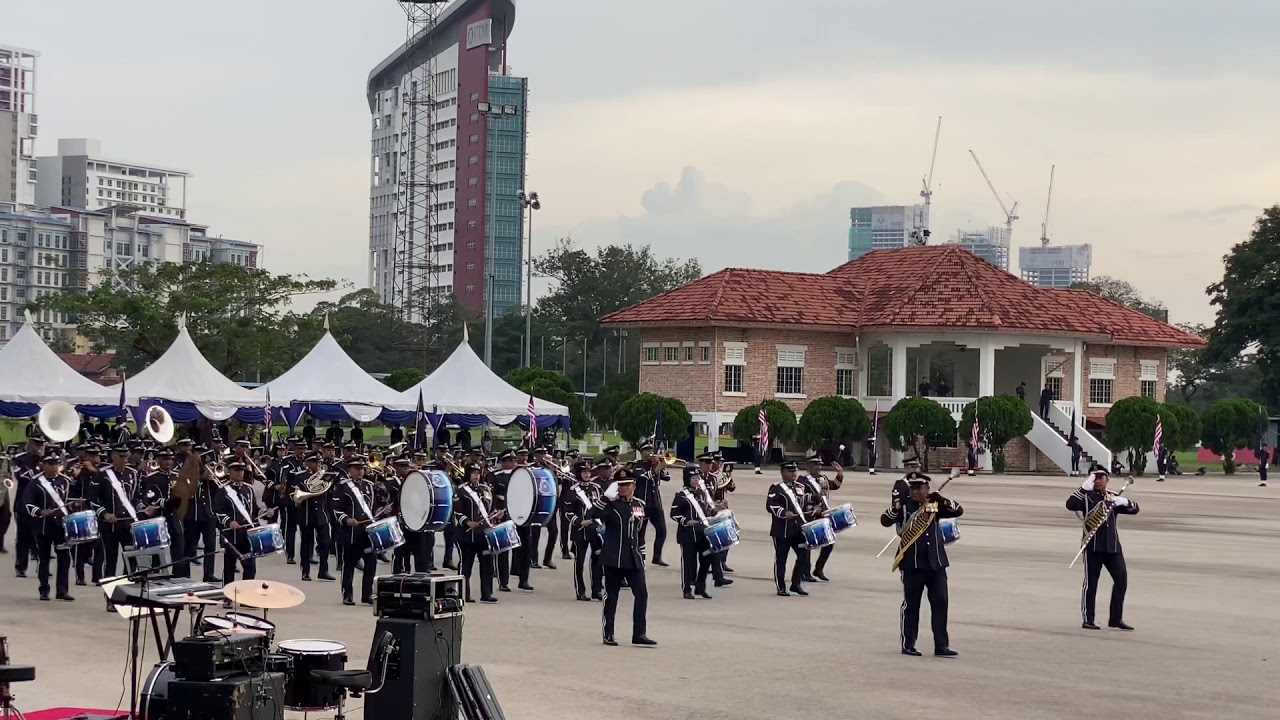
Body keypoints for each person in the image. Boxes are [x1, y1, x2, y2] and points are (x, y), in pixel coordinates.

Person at [880, 474, 963, 657]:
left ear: (927, 488)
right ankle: (908, 644)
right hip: (912, 563)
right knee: (911, 605)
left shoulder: (935, 504)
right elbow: (885, 520)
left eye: (921, 488)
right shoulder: (904, 507)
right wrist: (896, 507)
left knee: (940, 604)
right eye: (914, 488)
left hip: (936, 562)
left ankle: (941, 645)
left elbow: (958, 511)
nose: (917, 492)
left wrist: (941, 499)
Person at [587, 469, 654, 647]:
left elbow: (639, 532)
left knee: (642, 594)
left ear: (634, 486)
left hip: (633, 557)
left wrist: (643, 554)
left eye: (627, 484)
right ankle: (608, 633)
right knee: (612, 597)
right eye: (620, 485)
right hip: (614, 557)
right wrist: (603, 499)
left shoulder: (639, 504)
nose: (623, 488)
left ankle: (639, 633)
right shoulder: (611, 505)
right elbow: (592, 515)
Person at [1067, 470, 1139, 630]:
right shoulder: (1086, 498)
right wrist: (1084, 488)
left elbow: (1135, 509)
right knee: (1091, 583)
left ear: (1107, 479)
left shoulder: (1112, 497)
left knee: (1121, 581)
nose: (1098, 481)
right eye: (1095, 478)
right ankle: (1088, 619)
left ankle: (1115, 619)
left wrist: (1124, 502)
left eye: (1101, 478)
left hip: (1113, 548)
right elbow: (1070, 505)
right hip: (1093, 547)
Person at [21, 451, 78, 601]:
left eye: (56, 464)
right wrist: (40, 511)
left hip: (61, 527)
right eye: (51, 464)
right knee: (44, 558)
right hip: (43, 527)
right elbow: (26, 503)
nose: (54, 467)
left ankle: (62, 590)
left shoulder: (66, 481)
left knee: (64, 558)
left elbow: (70, 499)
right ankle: (44, 589)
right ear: (43, 465)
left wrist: (75, 504)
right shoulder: (35, 483)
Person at [215, 462, 270, 587]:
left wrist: (265, 512)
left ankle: (247, 596)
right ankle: (227, 596)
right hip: (231, 535)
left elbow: (254, 510)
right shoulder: (223, 490)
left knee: (250, 566)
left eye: (242, 470)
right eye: (236, 470)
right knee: (229, 567)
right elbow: (217, 511)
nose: (240, 472)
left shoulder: (249, 488)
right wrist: (229, 522)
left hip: (248, 534)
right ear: (229, 472)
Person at [332, 459, 379, 606]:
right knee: (349, 564)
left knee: (371, 562)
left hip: (368, 532)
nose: (360, 471)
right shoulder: (343, 487)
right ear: (349, 469)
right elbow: (335, 508)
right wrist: (346, 519)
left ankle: (367, 594)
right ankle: (348, 594)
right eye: (357, 468)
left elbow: (374, 507)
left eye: (362, 468)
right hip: (351, 532)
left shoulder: (369, 486)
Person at [765, 460, 815, 597]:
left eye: (795, 471)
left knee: (804, 555)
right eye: (790, 471)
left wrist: (811, 509)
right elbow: (771, 506)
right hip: (782, 530)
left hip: (797, 529)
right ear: (783, 472)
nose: (794, 473)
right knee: (781, 558)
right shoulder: (776, 488)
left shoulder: (799, 487)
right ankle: (781, 586)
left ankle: (796, 583)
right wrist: (783, 513)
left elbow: (803, 504)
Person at [453, 465, 498, 604]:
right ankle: (463, 594)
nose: (476, 475)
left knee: (487, 565)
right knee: (466, 565)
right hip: (466, 535)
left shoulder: (486, 490)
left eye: (478, 473)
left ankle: (486, 594)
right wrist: (467, 522)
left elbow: (491, 509)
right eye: (473, 473)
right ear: (468, 474)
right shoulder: (461, 491)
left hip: (483, 535)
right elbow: (456, 512)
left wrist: (496, 517)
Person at [670, 469, 716, 599]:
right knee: (688, 563)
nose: (696, 480)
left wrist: (714, 510)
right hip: (688, 535)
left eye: (697, 478)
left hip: (703, 533)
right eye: (693, 478)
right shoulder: (681, 495)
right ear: (687, 479)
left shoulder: (701, 494)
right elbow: (674, 514)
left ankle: (700, 587)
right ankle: (687, 589)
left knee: (707, 558)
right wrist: (686, 521)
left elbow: (706, 512)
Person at [562, 460, 603, 601]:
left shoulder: (596, 488)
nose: (586, 474)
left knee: (598, 561)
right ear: (578, 474)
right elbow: (567, 512)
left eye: (588, 472)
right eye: (584, 472)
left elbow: (603, 507)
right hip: (580, 530)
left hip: (596, 530)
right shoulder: (573, 491)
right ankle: (580, 591)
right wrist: (579, 521)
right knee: (579, 562)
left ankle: (597, 590)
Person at [801, 455, 844, 582]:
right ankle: (805, 572)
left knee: (829, 542)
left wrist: (840, 473)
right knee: (807, 545)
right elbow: (800, 497)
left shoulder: (823, 478)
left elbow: (834, 485)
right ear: (808, 466)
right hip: (809, 515)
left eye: (819, 465)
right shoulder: (803, 480)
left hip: (823, 514)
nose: (818, 467)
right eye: (815, 465)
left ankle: (818, 569)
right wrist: (812, 507)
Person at [294, 453, 335, 582]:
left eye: (319, 462)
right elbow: (294, 495)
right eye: (315, 463)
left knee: (326, 543)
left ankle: (323, 570)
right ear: (307, 463)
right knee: (306, 545)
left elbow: (329, 495)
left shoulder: (325, 477)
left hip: (321, 514)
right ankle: (305, 571)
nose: (318, 465)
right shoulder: (299, 477)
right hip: (306, 514)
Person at [11, 435, 44, 577]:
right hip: (24, 504)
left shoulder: (46, 460)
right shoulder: (21, 459)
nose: (39, 447)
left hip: (41, 505)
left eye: (41, 444)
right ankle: (21, 566)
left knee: (43, 537)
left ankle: (43, 568)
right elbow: (22, 477)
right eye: (36, 444)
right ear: (30, 444)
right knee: (23, 537)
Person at [633, 442, 669, 567]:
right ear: (641, 452)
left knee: (662, 530)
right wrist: (658, 467)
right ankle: (639, 557)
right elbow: (644, 478)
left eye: (651, 450)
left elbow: (667, 477)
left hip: (655, 503)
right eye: (647, 450)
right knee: (639, 532)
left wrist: (662, 465)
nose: (650, 453)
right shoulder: (638, 466)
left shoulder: (654, 464)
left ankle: (657, 556)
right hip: (640, 503)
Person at [488, 450, 517, 590]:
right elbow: (491, 495)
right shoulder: (495, 476)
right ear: (504, 462)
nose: (513, 462)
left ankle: (511, 577)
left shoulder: (518, 475)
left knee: (514, 548)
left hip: (515, 514)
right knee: (502, 549)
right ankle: (503, 581)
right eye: (510, 460)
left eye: (514, 460)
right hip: (500, 514)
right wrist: (494, 511)